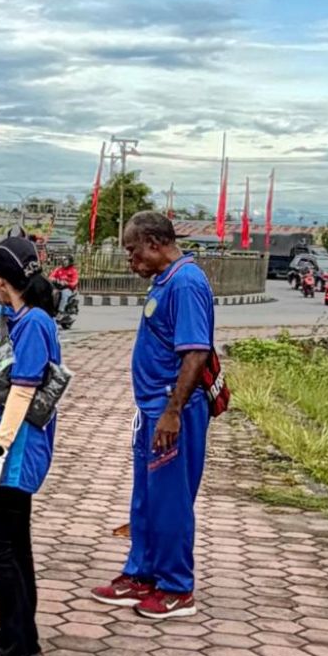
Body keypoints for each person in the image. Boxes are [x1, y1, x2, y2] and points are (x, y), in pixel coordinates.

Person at [91, 211, 215, 620]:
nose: (131, 260)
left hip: (172, 412)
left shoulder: (187, 283)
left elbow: (196, 351)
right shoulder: (166, 280)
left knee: (170, 502)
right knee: (145, 499)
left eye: (133, 251)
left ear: (155, 244)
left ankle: (177, 587)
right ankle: (142, 573)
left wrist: (172, 412)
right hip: (151, 411)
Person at [0, 235, 62, 656]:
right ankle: (12, 635)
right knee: (13, 546)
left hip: (18, 449)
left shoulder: (35, 324)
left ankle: (23, 650)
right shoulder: (24, 319)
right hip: (13, 444)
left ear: (1, 280)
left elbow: (24, 389)